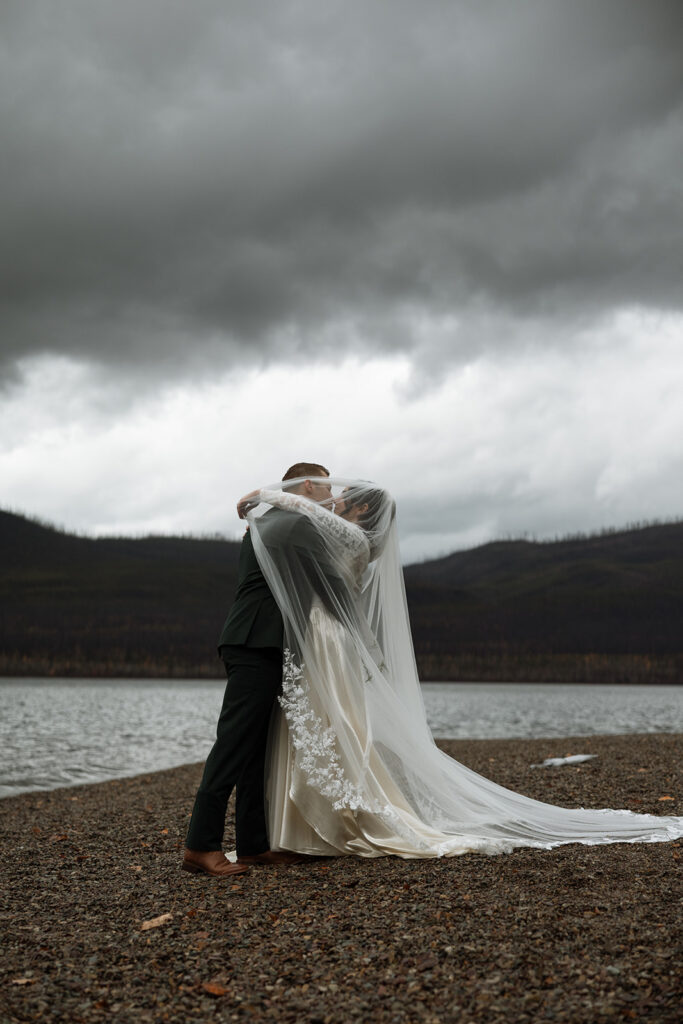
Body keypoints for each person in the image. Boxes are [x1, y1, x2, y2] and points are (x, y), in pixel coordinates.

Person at [239, 477, 683, 859]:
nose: (333, 502)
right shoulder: (352, 540)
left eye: (343, 498)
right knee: (329, 725)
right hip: (324, 637)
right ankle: (312, 824)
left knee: (337, 725)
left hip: (329, 639)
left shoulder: (352, 540)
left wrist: (266, 494)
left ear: (359, 510)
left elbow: (303, 511)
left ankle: (336, 822)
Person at [182, 462, 333, 877]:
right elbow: (328, 542)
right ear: (307, 484)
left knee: (254, 749)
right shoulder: (286, 522)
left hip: (263, 641)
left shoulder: (270, 521)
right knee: (233, 743)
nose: (332, 496)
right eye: (327, 486)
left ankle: (252, 846)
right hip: (253, 640)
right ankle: (199, 845)